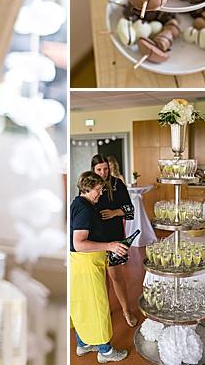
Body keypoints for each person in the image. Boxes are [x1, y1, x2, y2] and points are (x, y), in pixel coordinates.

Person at [72, 171, 130, 362]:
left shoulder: (78, 203)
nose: (101, 193)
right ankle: (105, 351)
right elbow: (79, 243)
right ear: (86, 188)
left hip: (78, 265)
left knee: (82, 306)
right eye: (98, 189)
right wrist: (110, 245)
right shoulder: (85, 210)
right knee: (97, 307)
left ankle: (83, 344)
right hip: (87, 265)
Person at [91, 154, 137, 327]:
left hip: (114, 235)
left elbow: (130, 210)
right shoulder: (89, 185)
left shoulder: (117, 184)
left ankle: (126, 310)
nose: (103, 172)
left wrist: (115, 212)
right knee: (100, 278)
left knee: (116, 276)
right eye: (99, 169)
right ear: (93, 169)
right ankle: (105, 309)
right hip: (95, 238)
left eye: (105, 168)